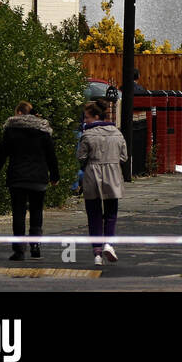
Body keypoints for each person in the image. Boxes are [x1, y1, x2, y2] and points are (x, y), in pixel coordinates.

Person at [0, 101, 59, 261]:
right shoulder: (43, 132)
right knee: (36, 211)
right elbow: (51, 156)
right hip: (38, 178)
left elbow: (1, 154)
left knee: (18, 213)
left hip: (17, 177)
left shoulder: (11, 131)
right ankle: (35, 245)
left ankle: (19, 250)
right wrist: (55, 176)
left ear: (19, 112)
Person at [78, 101, 128, 267]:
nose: (85, 121)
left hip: (92, 175)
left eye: (87, 117)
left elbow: (81, 158)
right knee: (111, 214)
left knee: (94, 216)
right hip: (112, 175)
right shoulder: (117, 133)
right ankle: (109, 243)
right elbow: (124, 157)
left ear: (96, 117)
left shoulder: (87, 135)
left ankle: (97, 252)